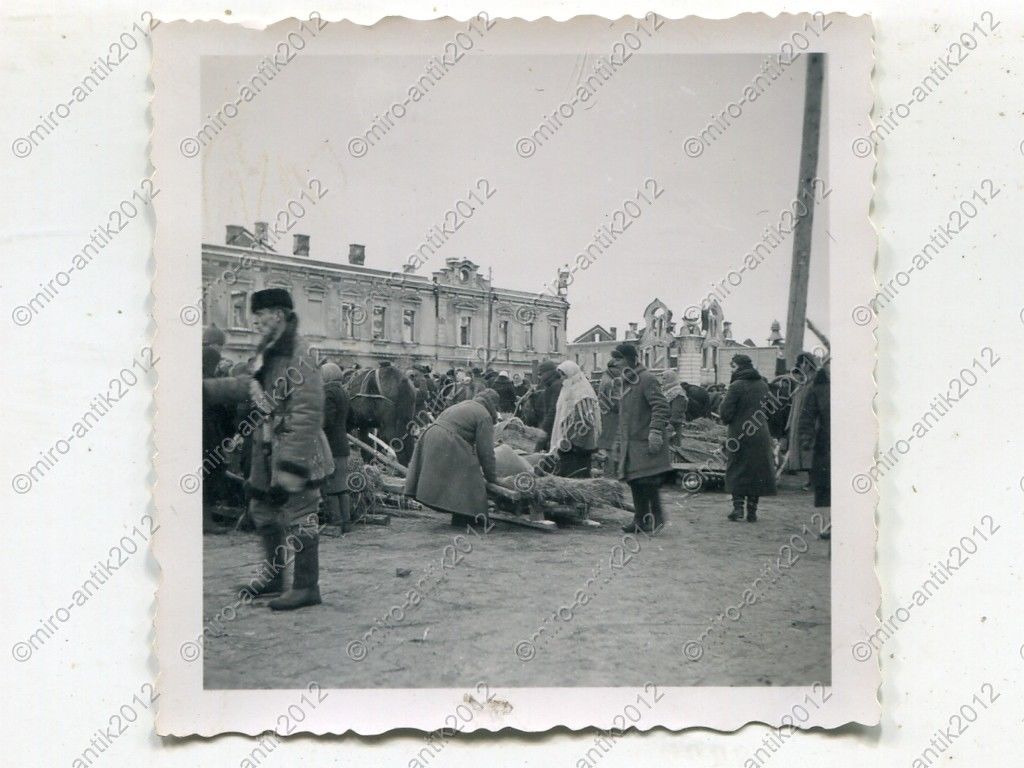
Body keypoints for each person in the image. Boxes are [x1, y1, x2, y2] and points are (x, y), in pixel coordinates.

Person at [203, 288, 334, 610]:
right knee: (263, 510)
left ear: (277, 314)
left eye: (259, 317)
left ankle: (306, 587)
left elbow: (307, 411)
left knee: (301, 514)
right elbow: (249, 386)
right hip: (266, 444)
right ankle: (275, 579)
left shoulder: (299, 354)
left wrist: (293, 464)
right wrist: (204, 389)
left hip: (295, 448)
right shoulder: (271, 350)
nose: (255, 323)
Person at [404, 389, 500, 528]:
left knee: (458, 478)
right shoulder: (484, 415)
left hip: (431, 434)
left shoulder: (464, 404)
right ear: (493, 405)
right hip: (447, 439)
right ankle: (472, 518)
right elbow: (486, 452)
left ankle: (460, 515)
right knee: (472, 477)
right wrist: (492, 478)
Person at [609, 344, 671, 533]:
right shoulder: (626, 382)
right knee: (635, 481)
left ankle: (656, 518)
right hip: (631, 443)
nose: (615, 363)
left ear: (631, 360)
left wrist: (655, 431)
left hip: (645, 441)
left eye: (619, 359)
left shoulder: (647, 379)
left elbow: (661, 406)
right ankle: (640, 519)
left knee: (647, 482)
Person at [720, 353, 777, 522]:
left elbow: (725, 412)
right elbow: (771, 408)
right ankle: (752, 511)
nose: (731, 369)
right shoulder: (763, 385)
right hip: (760, 433)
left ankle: (738, 509)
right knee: (756, 471)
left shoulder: (736, 385)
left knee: (737, 469)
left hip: (740, 433)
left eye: (732, 366)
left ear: (738, 367)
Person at [549, 361, 602, 478]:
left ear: (571, 374)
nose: (562, 378)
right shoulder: (567, 389)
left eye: (563, 375)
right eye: (560, 375)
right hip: (567, 445)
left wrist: (574, 443)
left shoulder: (582, 392)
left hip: (578, 447)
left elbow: (587, 420)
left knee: (577, 477)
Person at [799, 361, 831, 539]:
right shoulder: (818, 389)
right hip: (825, 445)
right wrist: (806, 438)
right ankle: (826, 526)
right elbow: (807, 416)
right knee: (825, 487)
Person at [321, 362, 352, 533]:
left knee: (331, 483)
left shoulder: (328, 392)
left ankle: (335, 522)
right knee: (342, 483)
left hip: (330, 443)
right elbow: (351, 417)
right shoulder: (344, 392)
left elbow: (326, 420)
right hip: (342, 442)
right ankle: (346, 521)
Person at [596, 360, 622, 477]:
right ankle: (611, 473)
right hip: (612, 417)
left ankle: (610, 472)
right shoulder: (610, 382)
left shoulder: (605, 378)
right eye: (619, 368)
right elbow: (615, 403)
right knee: (613, 446)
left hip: (606, 416)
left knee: (610, 446)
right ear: (613, 368)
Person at [534, 360, 563, 451]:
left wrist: (544, 428)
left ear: (548, 373)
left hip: (554, 426)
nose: (540, 377)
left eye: (541, 374)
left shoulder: (555, 386)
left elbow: (553, 409)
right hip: (552, 426)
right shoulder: (551, 385)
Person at [660, 369, 689, 447]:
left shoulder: (678, 393)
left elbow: (677, 412)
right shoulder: (668, 391)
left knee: (673, 447)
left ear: (671, 379)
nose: (662, 381)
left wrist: (671, 425)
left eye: (664, 379)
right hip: (665, 423)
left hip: (672, 425)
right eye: (662, 379)